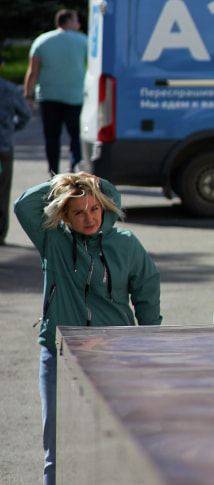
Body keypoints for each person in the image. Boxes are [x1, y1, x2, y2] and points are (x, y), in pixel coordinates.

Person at [15, 173, 161, 485]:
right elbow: (24, 205)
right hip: (61, 354)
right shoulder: (53, 240)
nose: (89, 218)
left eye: (95, 208)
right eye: (78, 212)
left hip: (117, 354)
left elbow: (147, 293)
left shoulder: (126, 243)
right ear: (64, 215)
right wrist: (69, 180)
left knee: (119, 440)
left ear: (106, 207)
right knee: (56, 448)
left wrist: (150, 344)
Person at [24, 10, 89, 176]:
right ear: (68, 22)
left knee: (52, 136)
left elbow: (33, 72)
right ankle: (74, 165)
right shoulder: (84, 41)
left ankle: (53, 171)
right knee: (76, 134)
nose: (79, 25)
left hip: (48, 97)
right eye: (76, 21)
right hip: (75, 97)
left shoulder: (42, 41)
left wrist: (28, 96)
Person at [0, 56, 32, 244]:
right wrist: (12, 128)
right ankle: (1, 232)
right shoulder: (10, 90)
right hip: (4, 145)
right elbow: (26, 115)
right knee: (3, 190)